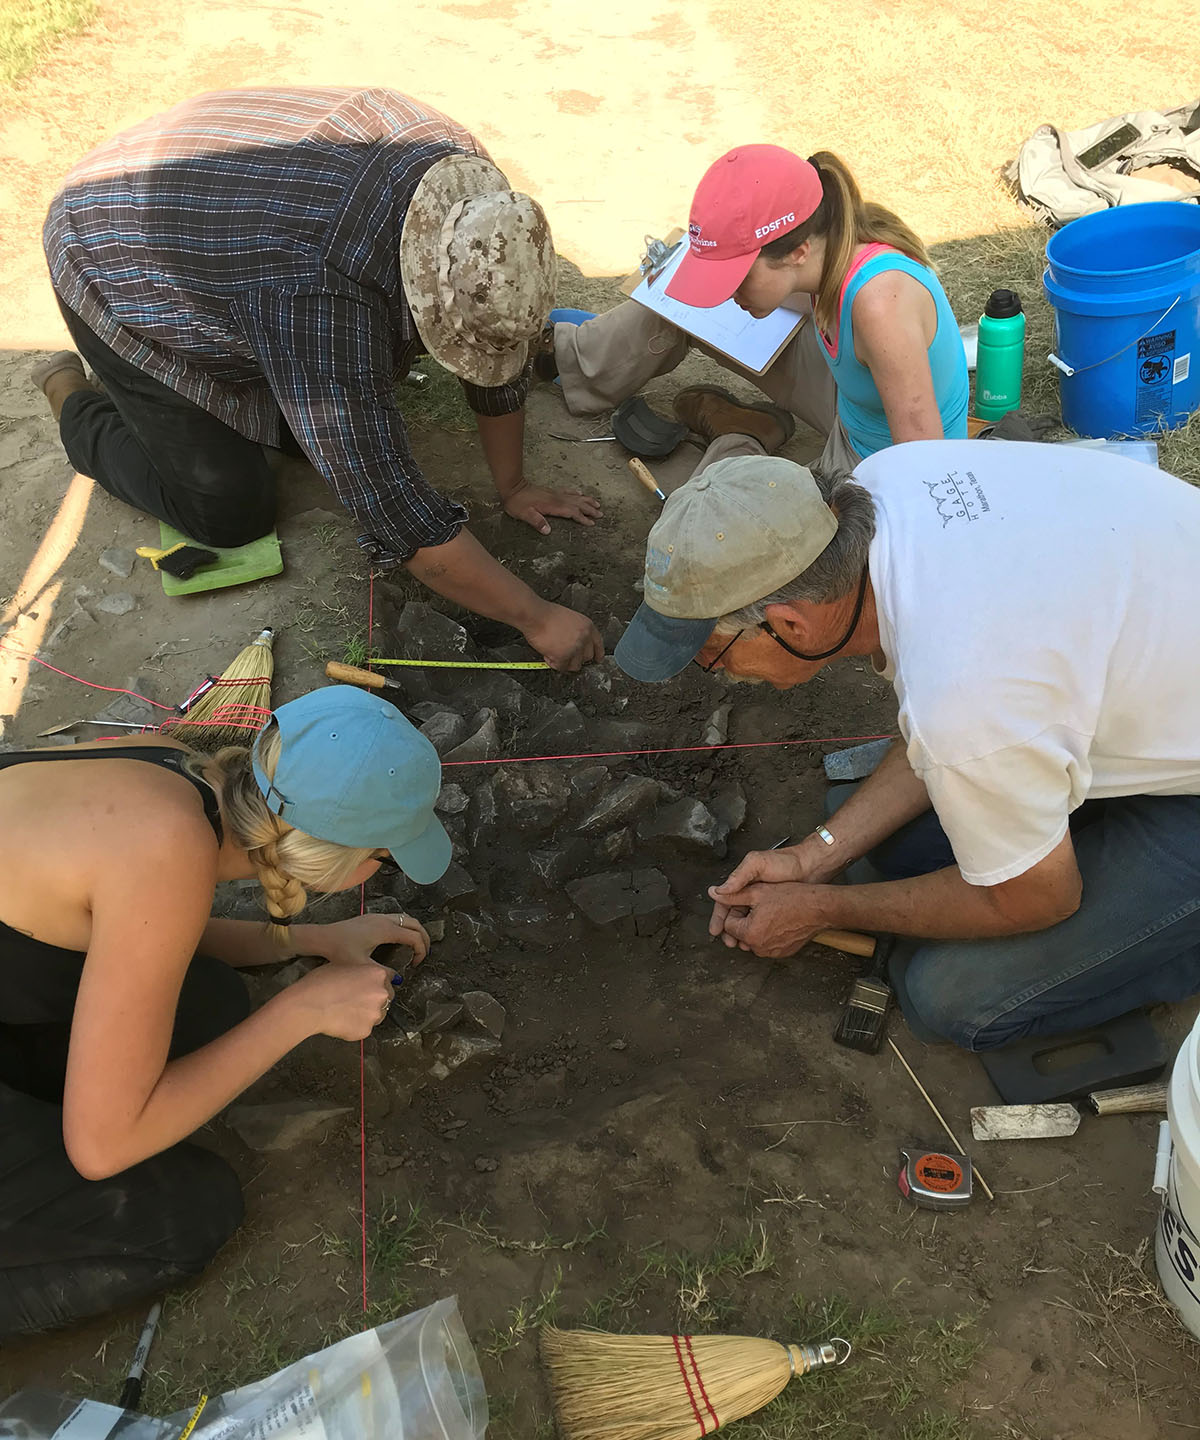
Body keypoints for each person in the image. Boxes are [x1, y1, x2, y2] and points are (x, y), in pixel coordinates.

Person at [612, 439, 1200, 1051]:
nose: (725, 674)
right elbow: (951, 732)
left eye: (717, 656)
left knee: (948, 996)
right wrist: (815, 859)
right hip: (1142, 682)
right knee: (888, 848)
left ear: (789, 622)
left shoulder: (967, 690)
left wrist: (823, 910)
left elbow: (1040, 896)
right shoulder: (887, 482)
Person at [34, 86, 602, 671]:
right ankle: (72, 395)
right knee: (229, 510)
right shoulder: (318, 293)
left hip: (214, 228)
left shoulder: (475, 198)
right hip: (110, 253)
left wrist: (514, 487)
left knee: (318, 426)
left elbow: (493, 335)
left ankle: (227, 350)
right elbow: (394, 511)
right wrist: (537, 618)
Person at [0, 685, 447, 1336]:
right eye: (382, 857)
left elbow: (138, 919)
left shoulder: (171, 763)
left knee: (208, 999)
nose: (381, 873)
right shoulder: (164, 849)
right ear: (329, 858)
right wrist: (300, 1008)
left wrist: (308, 941)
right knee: (187, 1214)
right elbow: (102, 1147)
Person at [537, 145, 968, 482]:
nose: (727, 294)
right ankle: (566, 357)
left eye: (736, 277)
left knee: (724, 530)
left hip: (874, 459)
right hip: (855, 400)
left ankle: (740, 438)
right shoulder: (822, 246)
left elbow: (926, 471)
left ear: (798, 252)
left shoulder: (880, 304)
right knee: (673, 303)